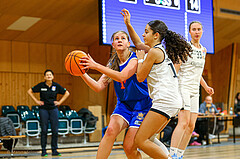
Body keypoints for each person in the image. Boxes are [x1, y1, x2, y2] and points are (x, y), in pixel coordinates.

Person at [121, 9, 191, 158]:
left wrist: (140, 59)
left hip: (165, 101)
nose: (143, 34)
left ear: (156, 35)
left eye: (146, 32)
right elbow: (138, 44)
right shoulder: (158, 50)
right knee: (150, 139)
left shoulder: (154, 53)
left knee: (140, 140)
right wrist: (128, 24)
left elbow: (140, 77)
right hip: (171, 101)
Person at [79, 30, 153, 159]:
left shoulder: (135, 59)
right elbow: (98, 87)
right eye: (116, 38)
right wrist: (81, 73)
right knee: (110, 131)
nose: (119, 40)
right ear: (113, 44)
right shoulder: (112, 64)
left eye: (123, 38)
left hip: (142, 104)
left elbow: (122, 77)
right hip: (124, 104)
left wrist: (95, 65)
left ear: (128, 43)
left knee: (129, 147)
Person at [169, 21, 214, 159]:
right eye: (193, 29)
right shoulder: (184, 48)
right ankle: (172, 155)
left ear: (202, 31)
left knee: (191, 126)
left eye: (199, 29)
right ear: (189, 32)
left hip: (195, 90)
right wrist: (171, 86)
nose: (196, 31)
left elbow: (198, 72)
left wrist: (206, 87)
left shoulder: (204, 50)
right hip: (183, 87)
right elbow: (175, 68)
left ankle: (180, 155)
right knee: (183, 122)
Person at [27, 69, 70, 157]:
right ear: (44, 77)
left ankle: (54, 150)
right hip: (43, 109)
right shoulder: (41, 85)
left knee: (55, 130)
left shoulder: (56, 86)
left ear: (53, 77)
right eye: (47, 75)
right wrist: (36, 101)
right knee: (44, 130)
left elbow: (67, 93)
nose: (49, 76)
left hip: (53, 109)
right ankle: (43, 150)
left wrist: (59, 102)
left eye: (50, 75)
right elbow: (29, 91)